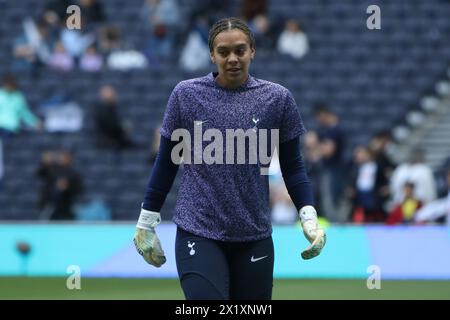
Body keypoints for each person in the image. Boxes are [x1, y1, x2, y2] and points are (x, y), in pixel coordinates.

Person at [133, 17, 326, 300]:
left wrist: (308, 216)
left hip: (254, 234)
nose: (232, 58)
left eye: (240, 50)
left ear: (252, 51)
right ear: (212, 55)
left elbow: (293, 166)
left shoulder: (277, 99)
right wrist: (146, 222)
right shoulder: (185, 95)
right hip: (198, 229)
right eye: (223, 52)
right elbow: (166, 162)